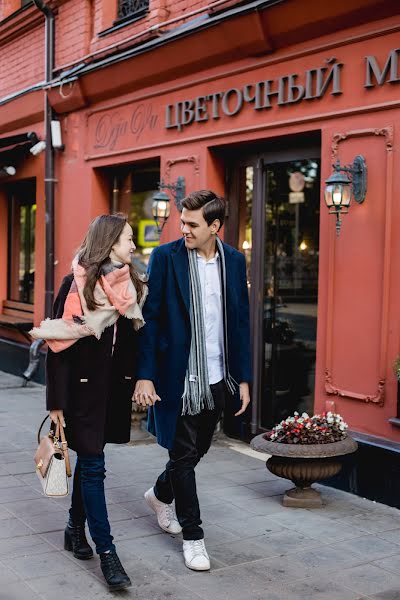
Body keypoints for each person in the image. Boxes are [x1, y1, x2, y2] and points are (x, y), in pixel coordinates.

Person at [134, 190, 251, 571]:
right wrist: (146, 375)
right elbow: (150, 321)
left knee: (199, 448)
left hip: (218, 376)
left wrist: (243, 378)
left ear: (215, 226)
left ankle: (159, 494)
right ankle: (194, 537)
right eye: (182, 221)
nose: (183, 228)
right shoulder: (165, 257)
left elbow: (239, 322)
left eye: (192, 224)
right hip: (179, 377)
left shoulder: (234, 260)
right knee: (182, 456)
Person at [30, 214, 147, 591]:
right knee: (94, 464)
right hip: (80, 393)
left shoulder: (131, 286)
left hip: (112, 392)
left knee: (91, 458)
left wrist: (139, 382)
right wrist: (56, 403)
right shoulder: (77, 284)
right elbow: (58, 345)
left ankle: (73, 528)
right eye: (128, 239)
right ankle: (108, 552)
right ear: (110, 242)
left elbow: (134, 342)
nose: (133, 246)